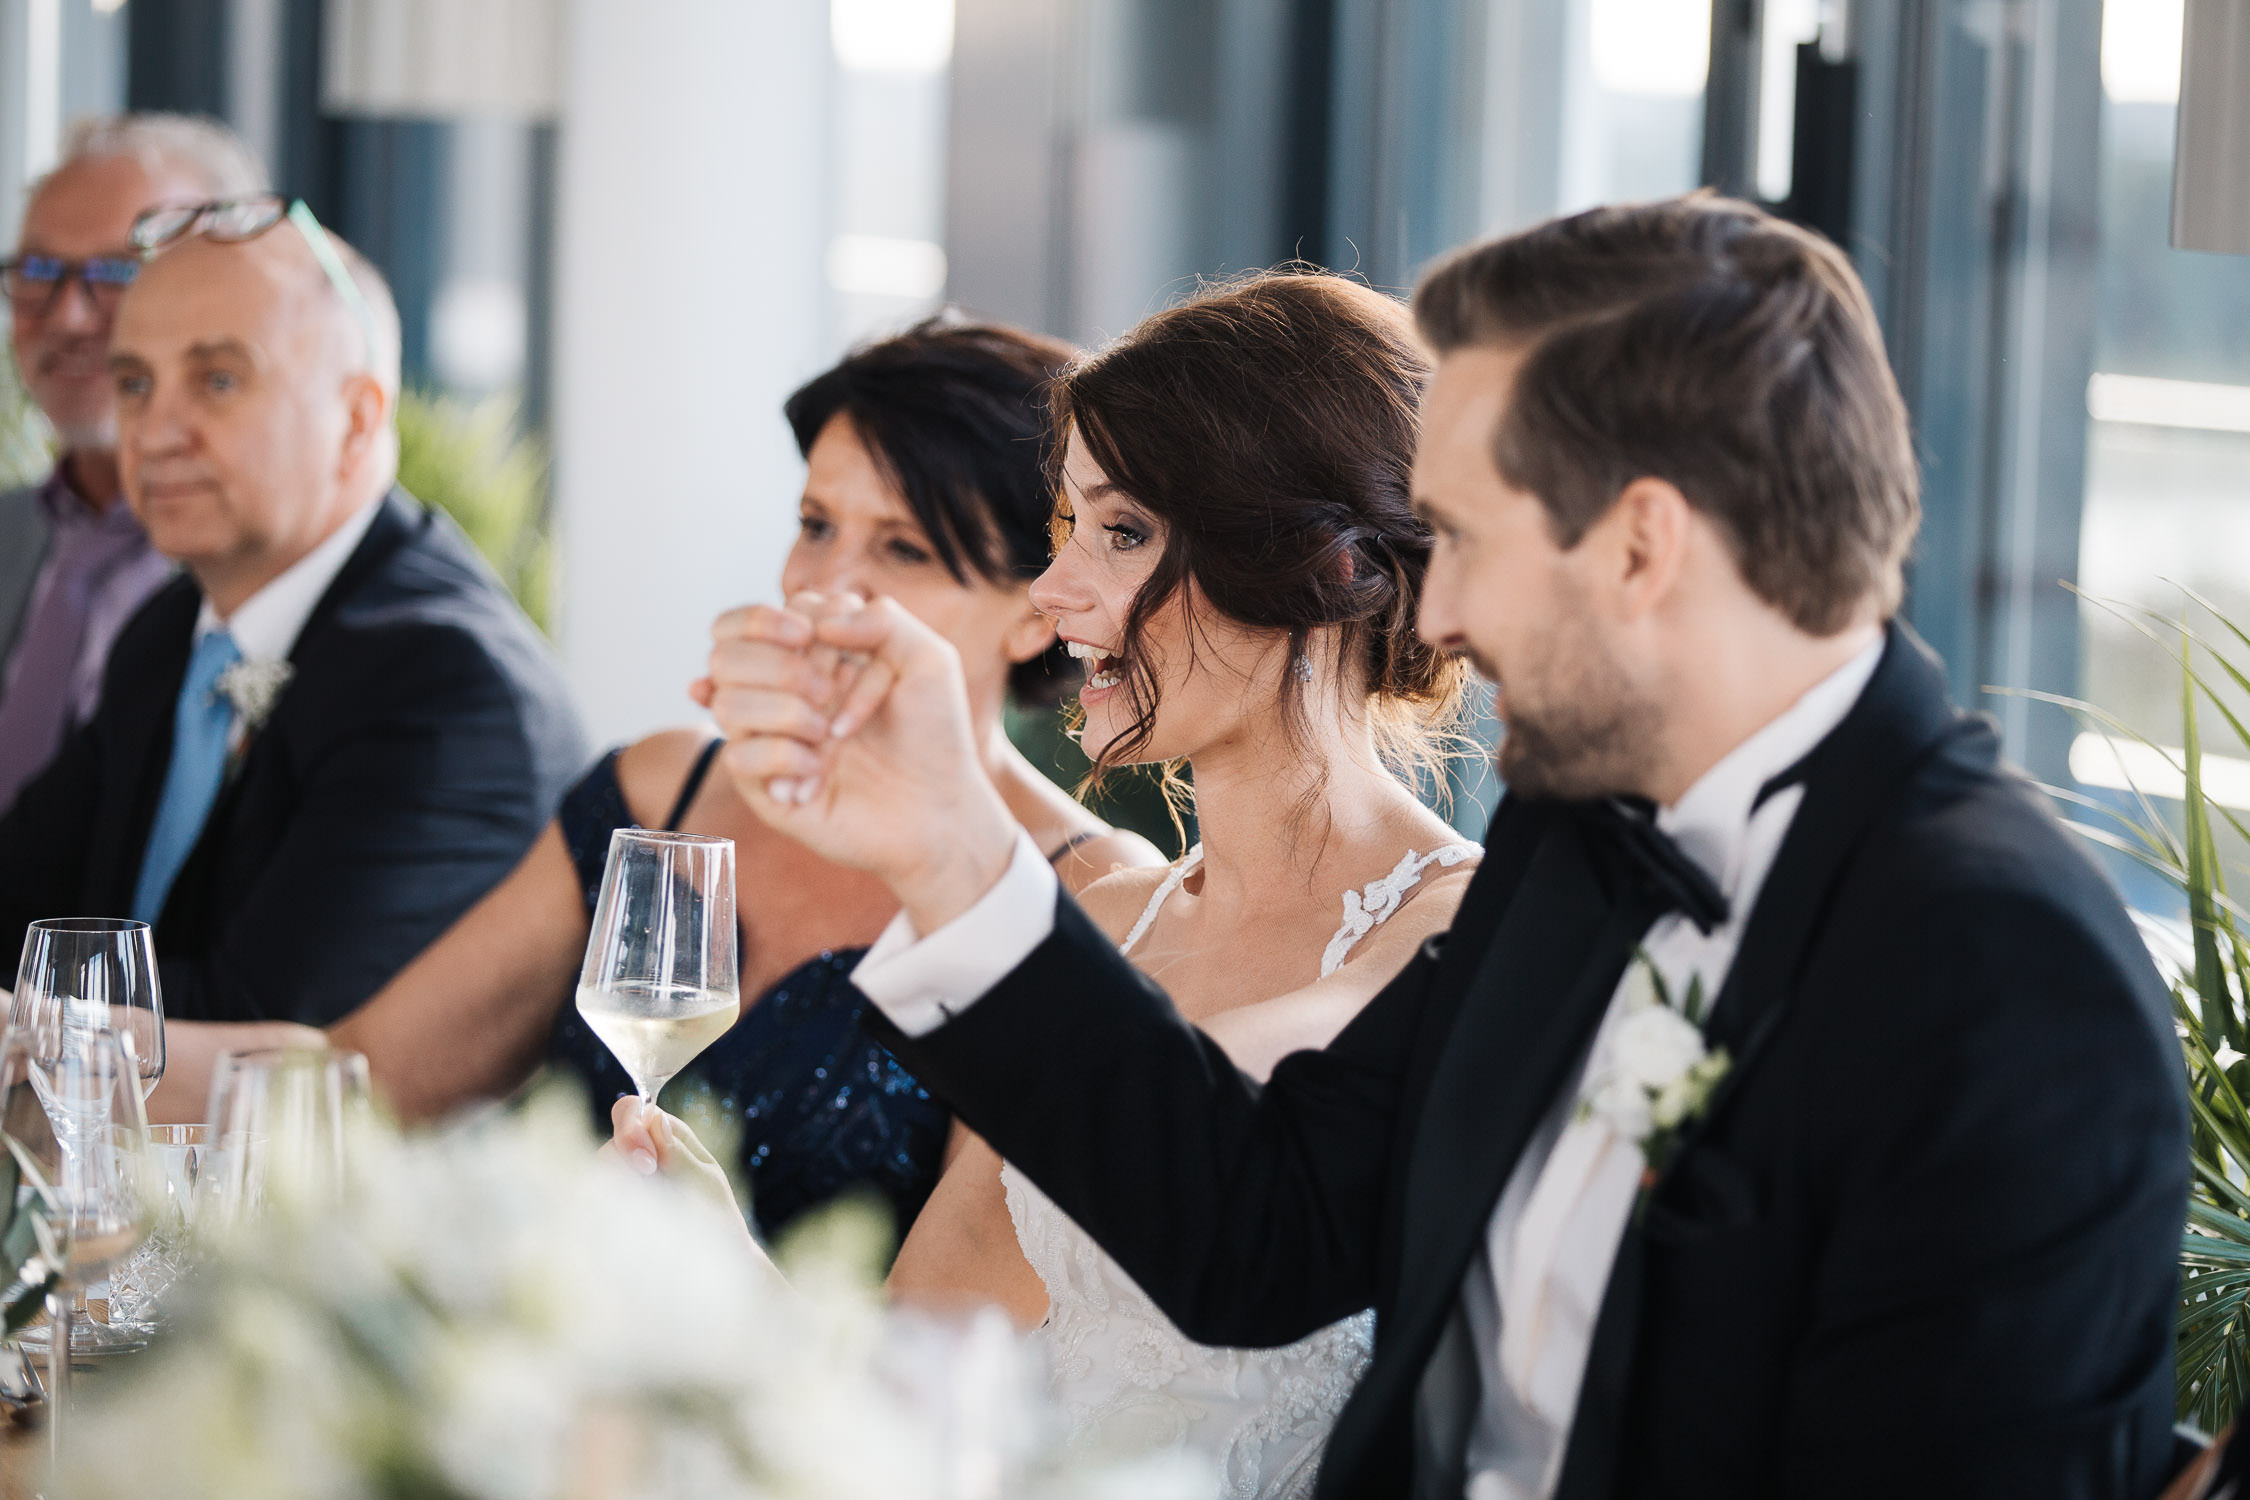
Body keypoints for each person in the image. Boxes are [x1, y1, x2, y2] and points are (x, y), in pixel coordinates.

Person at [702, 195, 2190, 1498]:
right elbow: (1251, 1235)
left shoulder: (2005, 974)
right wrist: (950, 848)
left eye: (1460, 537)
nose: (1434, 613)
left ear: (1638, 543)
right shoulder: (1575, 840)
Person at [626, 274, 1478, 1493]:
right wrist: (723, 1272)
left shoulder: (1456, 928)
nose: (1050, 591)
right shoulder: (1102, 931)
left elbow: (1219, 1117)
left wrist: (946, 832)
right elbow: (910, 1398)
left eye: (1120, 534)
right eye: (1065, 526)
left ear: (1303, 565)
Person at [308, 319, 1161, 1245]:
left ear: (1038, 610)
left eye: (904, 549)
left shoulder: (1091, 889)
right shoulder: (664, 787)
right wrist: (133, 1057)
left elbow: (970, 1310)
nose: (825, 585)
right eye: (817, 525)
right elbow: (358, 1078)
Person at [0, 196, 586, 1031]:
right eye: (134, 383)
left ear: (357, 419)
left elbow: (261, 1041)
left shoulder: (453, 689)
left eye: (218, 379)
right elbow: (20, 898)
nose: (156, 432)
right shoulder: (172, 630)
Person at [0, 114, 267, 814]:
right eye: (37, 270)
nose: (69, 317)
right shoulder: (10, 535)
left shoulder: (271, 565)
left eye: (117, 271)